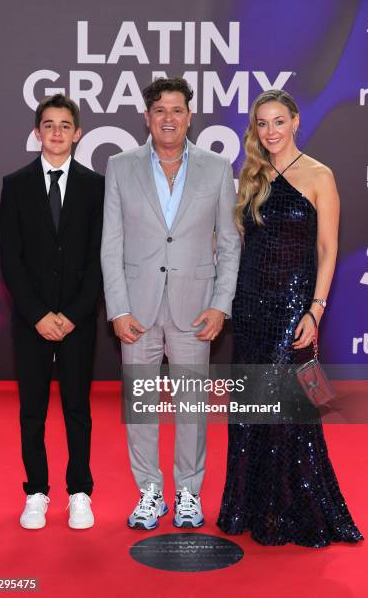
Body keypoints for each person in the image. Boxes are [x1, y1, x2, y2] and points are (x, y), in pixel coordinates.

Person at [217, 89, 363, 547]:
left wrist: (315, 309)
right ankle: (247, 505)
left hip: (292, 306)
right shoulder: (250, 175)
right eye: (262, 123)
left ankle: (286, 511)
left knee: (286, 409)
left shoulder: (320, 175)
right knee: (249, 409)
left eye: (278, 121)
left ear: (295, 122)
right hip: (250, 304)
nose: (270, 132)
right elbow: (240, 244)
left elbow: (327, 250)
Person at [101, 77, 240, 530]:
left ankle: (187, 492)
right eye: (160, 109)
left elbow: (230, 244)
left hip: (195, 306)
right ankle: (149, 492)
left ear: (189, 115)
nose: (168, 118)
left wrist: (221, 304)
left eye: (177, 110)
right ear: (146, 116)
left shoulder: (217, 167)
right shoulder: (120, 166)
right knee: (139, 404)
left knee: (192, 407)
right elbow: (111, 244)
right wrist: (118, 309)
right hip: (137, 309)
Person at [0, 94, 104, 530]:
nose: (57, 132)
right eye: (49, 124)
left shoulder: (96, 186)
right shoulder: (16, 184)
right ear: (36, 132)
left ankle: (79, 491)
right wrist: (38, 313)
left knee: (78, 407)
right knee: (32, 410)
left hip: (79, 320)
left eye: (65, 125)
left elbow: (101, 256)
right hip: (30, 321)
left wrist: (75, 314)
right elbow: (11, 257)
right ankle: (36, 492)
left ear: (77, 134)